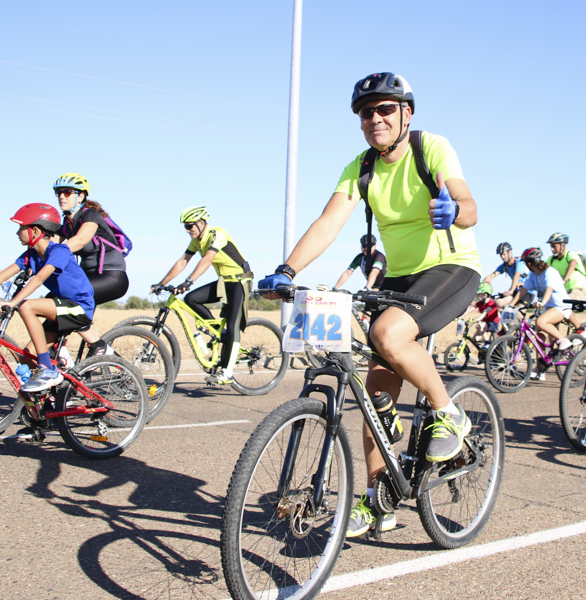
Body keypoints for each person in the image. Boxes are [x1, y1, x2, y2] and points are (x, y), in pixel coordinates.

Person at [256, 72, 481, 538]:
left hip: (451, 264)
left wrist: (453, 211)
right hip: (398, 278)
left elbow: (468, 203)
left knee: (386, 335)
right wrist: (288, 270)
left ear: (406, 114)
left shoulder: (431, 147)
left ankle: (448, 413)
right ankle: (381, 500)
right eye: (366, 112)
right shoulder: (360, 167)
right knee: (375, 394)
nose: (375, 118)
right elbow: (328, 221)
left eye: (385, 109)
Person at [0, 204, 96, 392]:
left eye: (21, 228)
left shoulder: (59, 251)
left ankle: (48, 370)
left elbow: (40, 277)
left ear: (35, 231)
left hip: (78, 307)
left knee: (26, 307)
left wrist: (13, 302)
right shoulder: (31, 255)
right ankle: (47, 402)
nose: (17, 233)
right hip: (61, 308)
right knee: (26, 356)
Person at [151, 206, 252, 385]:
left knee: (232, 324)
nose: (188, 230)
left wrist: (188, 282)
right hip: (223, 281)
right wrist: (162, 282)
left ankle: (227, 373)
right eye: (185, 227)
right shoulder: (197, 240)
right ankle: (215, 332)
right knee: (191, 299)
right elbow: (183, 261)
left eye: (190, 226)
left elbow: (207, 259)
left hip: (239, 281)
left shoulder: (217, 233)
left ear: (201, 222)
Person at [55, 173, 126, 356]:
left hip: (111, 276)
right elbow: (51, 247)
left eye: (67, 192)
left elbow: (80, 240)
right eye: (59, 193)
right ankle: (61, 356)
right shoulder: (67, 223)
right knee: (53, 299)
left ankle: (101, 349)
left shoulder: (90, 215)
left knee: (69, 299)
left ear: (80, 196)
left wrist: (53, 256)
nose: (62, 196)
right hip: (87, 278)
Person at [510, 247, 576, 380]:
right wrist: (511, 305)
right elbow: (524, 291)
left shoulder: (549, 272)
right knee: (538, 336)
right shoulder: (534, 275)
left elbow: (549, 289)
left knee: (540, 321)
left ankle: (563, 340)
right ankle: (540, 368)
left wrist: (542, 302)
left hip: (560, 306)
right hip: (549, 307)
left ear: (530, 263)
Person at [546, 232, 586, 329]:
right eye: (551, 246)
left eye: (554, 246)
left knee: (563, 306)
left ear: (563, 245)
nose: (552, 249)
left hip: (579, 288)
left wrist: (564, 280)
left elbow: (573, 264)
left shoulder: (570, 254)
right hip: (565, 291)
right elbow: (543, 270)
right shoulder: (552, 259)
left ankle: (580, 330)